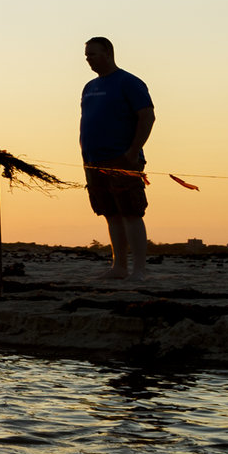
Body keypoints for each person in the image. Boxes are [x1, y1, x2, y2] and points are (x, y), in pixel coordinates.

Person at [80, 36, 156, 280]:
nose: (88, 59)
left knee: (131, 212)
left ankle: (139, 270)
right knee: (110, 213)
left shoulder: (129, 82)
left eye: (93, 54)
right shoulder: (89, 87)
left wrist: (133, 152)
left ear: (108, 53)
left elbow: (147, 117)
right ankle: (119, 266)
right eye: (86, 55)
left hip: (122, 158)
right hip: (94, 160)